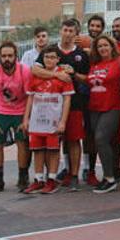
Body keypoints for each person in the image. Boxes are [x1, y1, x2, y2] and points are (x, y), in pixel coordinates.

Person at [33, 19, 89, 191]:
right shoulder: (51, 50)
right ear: (60, 31)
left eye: (71, 31)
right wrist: (57, 76)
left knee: (73, 140)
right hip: (48, 107)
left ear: (76, 33)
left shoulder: (81, 54)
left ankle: (73, 176)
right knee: (52, 143)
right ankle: (45, 177)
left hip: (74, 104)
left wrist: (74, 74)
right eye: (65, 30)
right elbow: (34, 70)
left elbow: (87, 78)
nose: (67, 33)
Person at [22, 45, 74, 194]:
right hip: (37, 121)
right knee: (37, 150)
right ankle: (39, 179)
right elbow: (30, 98)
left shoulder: (63, 76)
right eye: (46, 57)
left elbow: (67, 100)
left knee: (53, 151)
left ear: (58, 59)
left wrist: (63, 121)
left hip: (53, 121)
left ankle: (51, 179)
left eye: (53, 57)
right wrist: (26, 119)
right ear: (42, 59)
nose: (49, 60)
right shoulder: (36, 75)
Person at [0, 41, 32, 193]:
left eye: (10, 56)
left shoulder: (24, 71)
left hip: (20, 111)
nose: (7, 59)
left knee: (22, 143)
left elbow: (30, 96)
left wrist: (26, 119)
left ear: (15, 56)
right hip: (1, 111)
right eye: (4, 56)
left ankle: (23, 177)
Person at [87, 35, 120, 193]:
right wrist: (73, 74)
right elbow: (89, 81)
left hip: (113, 106)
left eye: (105, 45)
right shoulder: (95, 65)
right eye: (99, 46)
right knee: (103, 142)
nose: (103, 48)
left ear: (111, 46)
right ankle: (112, 174)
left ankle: (110, 179)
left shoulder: (119, 62)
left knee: (101, 138)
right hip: (95, 108)